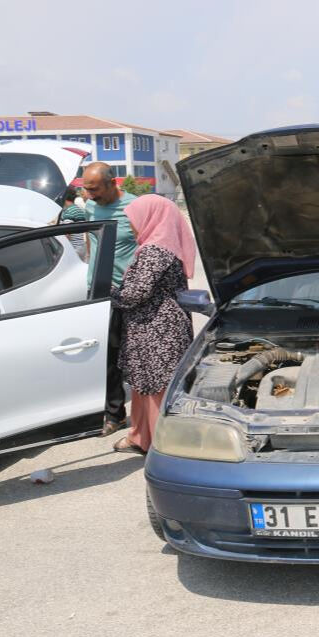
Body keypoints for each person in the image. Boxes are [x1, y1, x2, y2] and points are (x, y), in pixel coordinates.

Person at [109, 195, 196, 455]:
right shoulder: (157, 245)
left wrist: (109, 293)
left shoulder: (155, 250)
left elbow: (136, 293)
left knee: (157, 388)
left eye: (134, 220)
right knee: (144, 386)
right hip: (154, 327)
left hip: (157, 329)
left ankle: (163, 448)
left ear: (150, 218)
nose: (132, 226)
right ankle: (141, 437)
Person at [81, 163, 138, 436]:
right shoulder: (89, 206)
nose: (90, 195)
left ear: (112, 183)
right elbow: (91, 242)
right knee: (106, 355)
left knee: (137, 355)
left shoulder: (134, 208)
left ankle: (147, 415)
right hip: (98, 291)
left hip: (128, 293)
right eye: (86, 189)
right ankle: (114, 414)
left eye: (95, 189)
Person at [59, 187, 88, 261]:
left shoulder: (68, 212)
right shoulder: (78, 209)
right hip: (81, 247)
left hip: (73, 249)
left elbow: (67, 235)